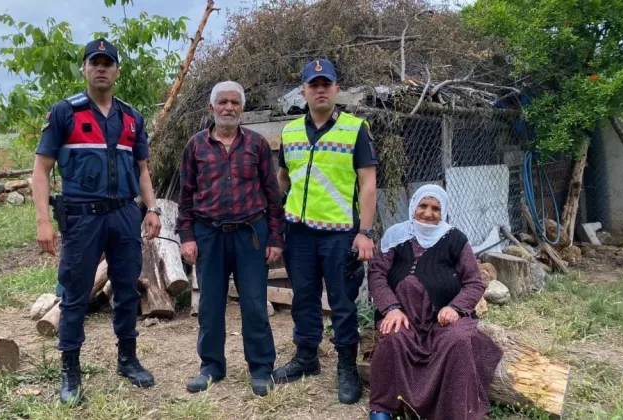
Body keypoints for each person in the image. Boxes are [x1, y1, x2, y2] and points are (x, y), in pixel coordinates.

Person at [31, 37, 162, 405]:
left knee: (125, 291)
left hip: (123, 216)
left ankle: (128, 359)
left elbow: (143, 170)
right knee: (74, 296)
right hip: (81, 219)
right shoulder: (65, 113)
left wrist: (152, 208)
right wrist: (43, 221)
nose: (101, 67)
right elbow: (41, 170)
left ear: (117, 71)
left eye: (108, 62)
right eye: (95, 62)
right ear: (85, 69)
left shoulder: (132, 118)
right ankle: (70, 370)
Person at [275, 58, 378, 404]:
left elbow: (368, 183)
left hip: (339, 234)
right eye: (313, 85)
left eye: (326, 84)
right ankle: (306, 358)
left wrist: (365, 232)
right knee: (303, 297)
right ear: (303, 91)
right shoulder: (288, 132)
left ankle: (346, 366)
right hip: (299, 233)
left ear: (336, 89)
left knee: (342, 301)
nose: (320, 90)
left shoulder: (355, 128)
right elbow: (283, 179)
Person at [176, 81, 285, 397]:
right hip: (208, 234)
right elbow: (186, 196)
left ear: (242, 109)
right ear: (211, 108)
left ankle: (261, 368)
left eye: (234, 102)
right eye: (222, 102)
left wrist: (275, 238)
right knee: (210, 305)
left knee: (253, 303)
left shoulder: (257, 145)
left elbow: (272, 194)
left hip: (250, 234)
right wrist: (186, 236)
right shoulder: (195, 147)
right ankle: (211, 367)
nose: (228, 108)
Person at [366, 184, 503, 420]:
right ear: (413, 207)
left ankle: (453, 412)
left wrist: (455, 308)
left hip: (443, 321)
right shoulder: (396, 236)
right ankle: (382, 408)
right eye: (423, 206)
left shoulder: (455, 239)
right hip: (405, 316)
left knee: (458, 342)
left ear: (444, 212)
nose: (428, 214)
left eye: (436, 209)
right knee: (392, 341)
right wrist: (391, 308)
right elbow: (377, 274)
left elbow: (474, 282)